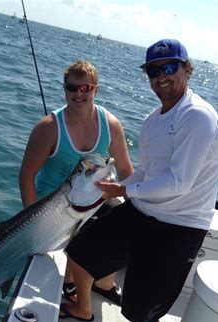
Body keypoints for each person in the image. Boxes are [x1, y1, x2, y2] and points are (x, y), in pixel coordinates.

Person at [63, 39, 218, 322]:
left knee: (141, 310)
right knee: (81, 250)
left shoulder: (198, 117)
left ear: (187, 69)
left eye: (169, 68)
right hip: (141, 211)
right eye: (153, 71)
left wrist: (124, 189)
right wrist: (109, 188)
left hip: (179, 227)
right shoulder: (153, 120)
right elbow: (147, 171)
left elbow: (180, 183)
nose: (161, 76)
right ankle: (84, 308)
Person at [19, 59, 134, 303]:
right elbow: (26, 175)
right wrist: (31, 221)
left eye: (86, 88)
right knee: (85, 233)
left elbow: (124, 169)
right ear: (64, 89)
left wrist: (136, 204)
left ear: (96, 90)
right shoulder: (48, 128)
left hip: (93, 198)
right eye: (72, 88)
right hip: (53, 202)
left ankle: (104, 282)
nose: (78, 93)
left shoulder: (111, 125)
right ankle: (71, 283)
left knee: (128, 223)